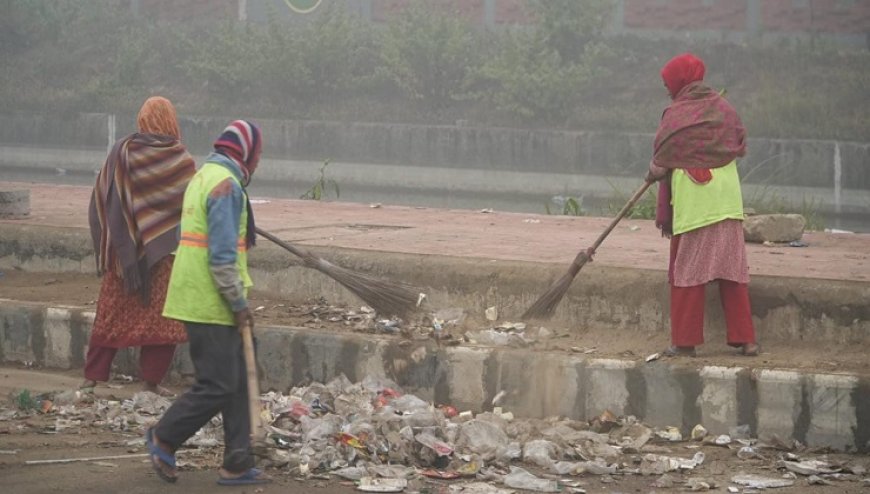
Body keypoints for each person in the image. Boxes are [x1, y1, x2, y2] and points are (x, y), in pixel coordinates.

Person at [146, 120, 271, 486]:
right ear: (246, 152)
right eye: (259, 154)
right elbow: (220, 256)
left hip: (201, 295)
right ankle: (164, 436)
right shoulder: (226, 186)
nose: (259, 162)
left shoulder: (206, 175)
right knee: (218, 383)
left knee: (236, 379)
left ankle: (237, 460)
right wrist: (237, 303)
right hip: (210, 300)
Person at [645, 53, 759, 358]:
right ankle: (746, 340)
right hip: (728, 202)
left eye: (667, 83)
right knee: (732, 272)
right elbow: (738, 141)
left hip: (697, 204)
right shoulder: (724, 109)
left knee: (687, 274)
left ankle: (684, 342)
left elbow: (662, 159)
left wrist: (654, 170)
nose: (667, 89)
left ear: (678, 81)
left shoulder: (677, 113)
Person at [83, 97, 195, 395]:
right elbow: (191, 202)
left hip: (125, 256)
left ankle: (93, 377)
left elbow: (102, 197)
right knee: (164, 322)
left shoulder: (122, 152)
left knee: (110, 314)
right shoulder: (180, 158)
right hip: (165, 254)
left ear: (142, 119)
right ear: (172, 121)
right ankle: (151, 382)